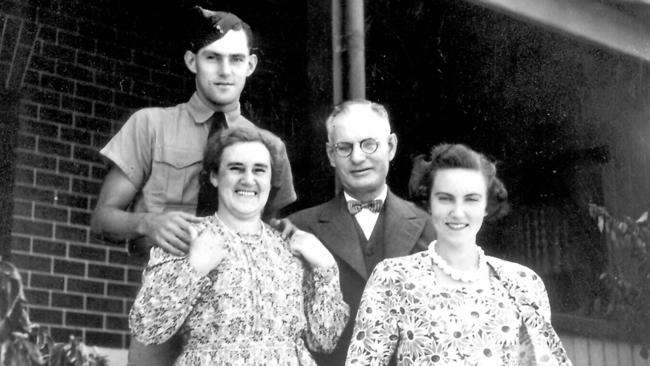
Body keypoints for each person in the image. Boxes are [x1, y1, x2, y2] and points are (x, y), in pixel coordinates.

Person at [90, 7, 296, 366]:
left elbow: (270, 234)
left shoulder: (269, 148)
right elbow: (102, 219)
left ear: (250, 65)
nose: (225, 70)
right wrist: (147, 223)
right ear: (191, 61)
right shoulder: (150, 126)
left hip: (238, 319)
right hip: (163, 302)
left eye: (236, 59)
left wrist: (285, 232)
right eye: (212, 57)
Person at [129, 125, 349, 365]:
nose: (248, 179)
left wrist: (327, 267)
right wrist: (193, 269)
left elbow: (325, 340)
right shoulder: (185, 239)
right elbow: (146, 328)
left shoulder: (291, 248)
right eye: (236, 168)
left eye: (259, 170)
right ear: (214, 176)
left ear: (270, 179)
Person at [345, 143, 572, 365]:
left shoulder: (523, 282)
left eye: (471, 199)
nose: (458, 212)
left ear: (486, 205)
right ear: (429, 202)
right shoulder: (393, 278)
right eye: (445, 198)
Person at [289, 99, 435, 366]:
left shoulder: (431, 227)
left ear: (391, 147)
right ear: (331, 155)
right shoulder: (299, 228)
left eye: (369, 144)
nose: (357, 157)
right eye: (344, 147)